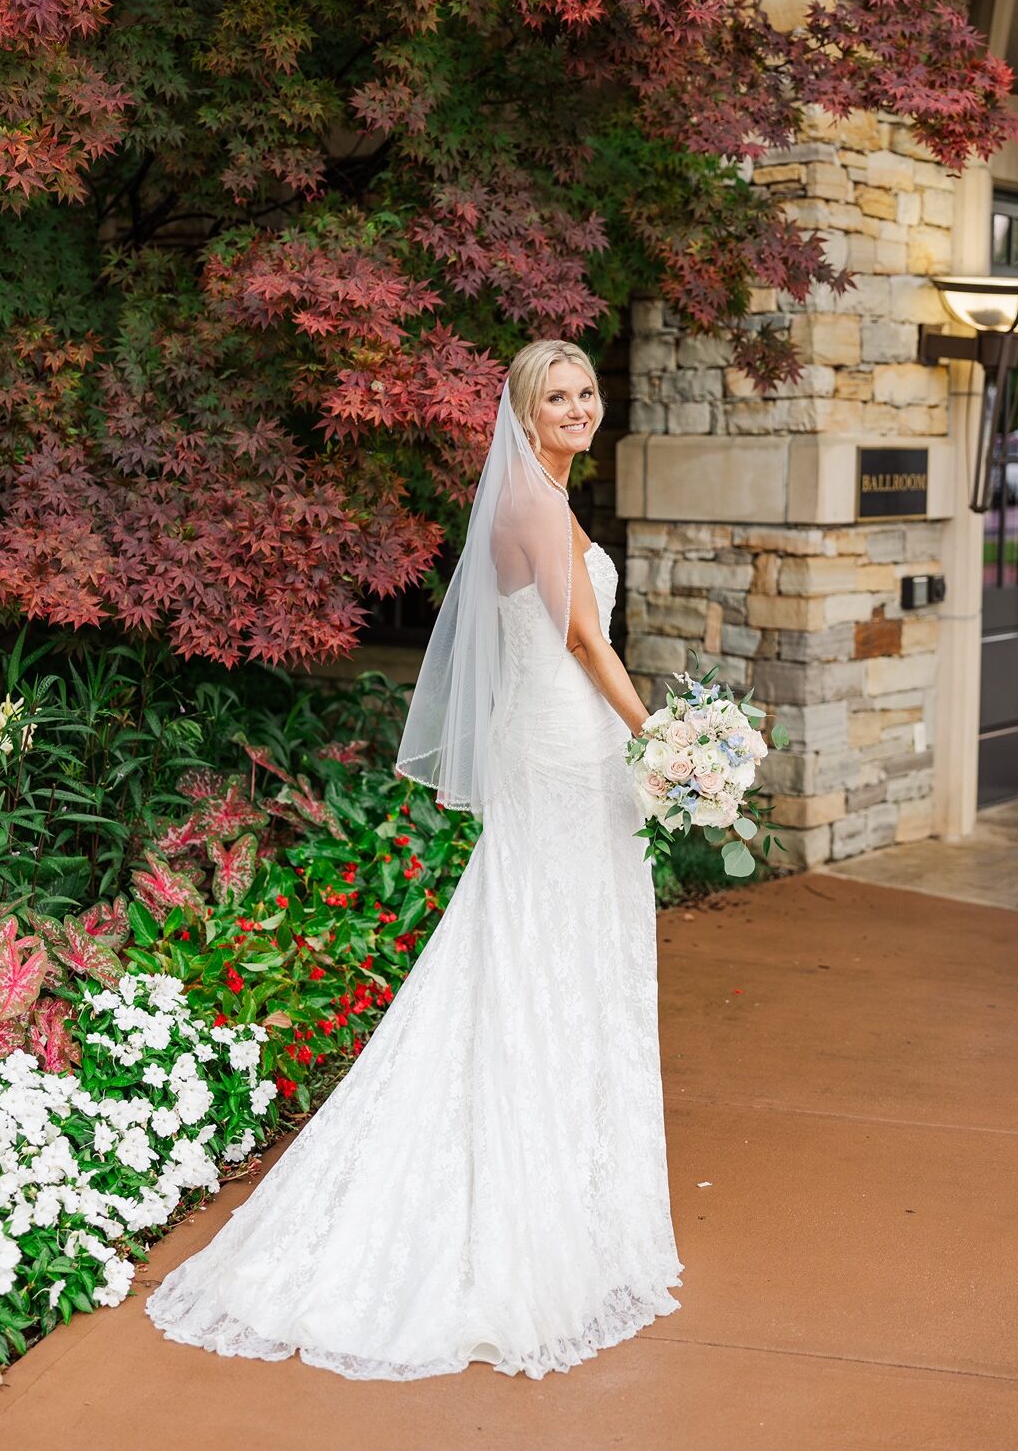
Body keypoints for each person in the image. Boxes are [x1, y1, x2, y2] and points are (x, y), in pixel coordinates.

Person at [145, 339, 684, 1380]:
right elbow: (582, 641)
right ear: (524, 416)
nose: (576, 407)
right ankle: (532, 1211)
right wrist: (659, 738)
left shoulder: (534, 502)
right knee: (548, 957)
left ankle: (573, 1194)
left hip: (564, 748)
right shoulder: (532, 506)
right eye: (555, 397)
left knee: (553, 956)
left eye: (584, 392)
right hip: (567, 750)